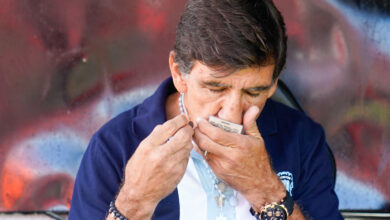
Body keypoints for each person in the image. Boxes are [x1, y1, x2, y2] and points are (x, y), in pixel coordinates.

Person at [69, 0, 343, 219]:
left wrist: (266, 190)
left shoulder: (302, 140)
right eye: (215, 88)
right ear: (178, 72)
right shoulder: (114, 146)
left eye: (253, 92)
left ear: (273, 85)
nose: (231, 113)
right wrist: (134, 203)